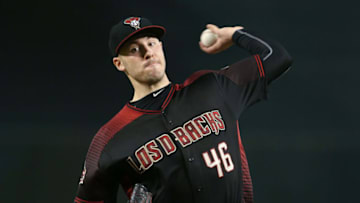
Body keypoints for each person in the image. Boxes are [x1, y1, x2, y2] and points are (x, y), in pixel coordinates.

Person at [74, 16, 293, 203]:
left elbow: (277, 57)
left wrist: (235, 34)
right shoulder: (109, 139)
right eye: (134, 49)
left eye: (152, 43)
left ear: (161, 47)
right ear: (119, 63)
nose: (147, 52)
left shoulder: (212, 87)